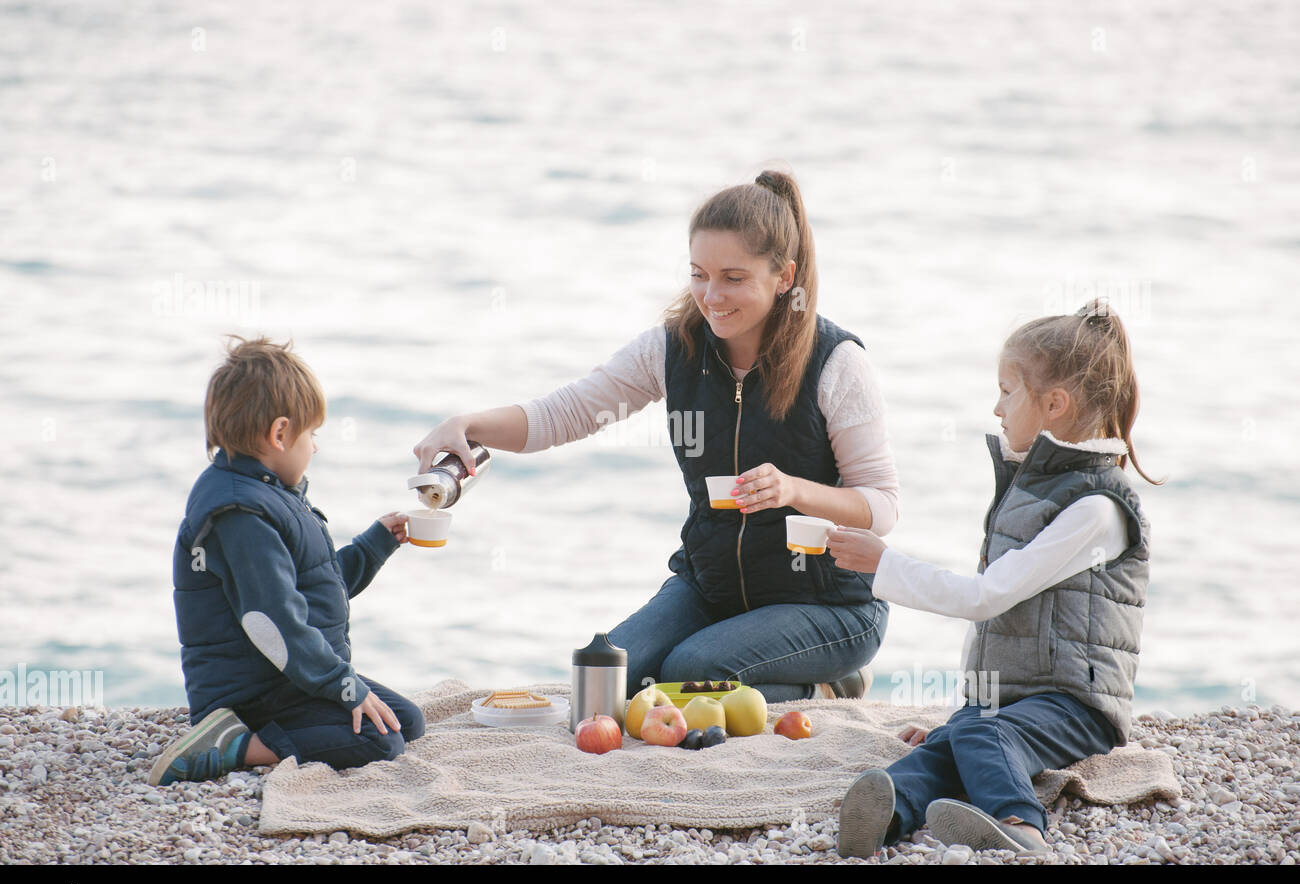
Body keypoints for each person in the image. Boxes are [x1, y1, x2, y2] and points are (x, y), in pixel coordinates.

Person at [413, 169, 899, 703]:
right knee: (603, 680)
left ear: (784, 277)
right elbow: (568, 411)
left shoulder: (835, 362)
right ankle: (768, 672)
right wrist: (468, 424)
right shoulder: (674, 349)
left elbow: (881, 506)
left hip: (830, 606)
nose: (711, 297)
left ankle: (826, 687)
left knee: (689, 671)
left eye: (733, 278)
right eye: (699, 274)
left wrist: (795, 490)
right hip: (711, 588)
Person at [829, 299, 1160, 857]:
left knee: (981, 732)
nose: (996, 406)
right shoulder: (1034, 487)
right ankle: (889, 812)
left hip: (1078, 705)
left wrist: (883, 562)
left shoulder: (1096, 509)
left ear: (1054, 404)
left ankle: (1021, 825)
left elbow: (985, 597)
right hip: (1013, 699)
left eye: (1007, 390)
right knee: (945, 743)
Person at [151, 336, 424, 786]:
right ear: (279, 434)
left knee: (406, 721)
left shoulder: (268, 496)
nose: (315, 447)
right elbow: (272, 622)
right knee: (379, 743)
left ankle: (274, 730)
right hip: (252, 693)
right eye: (311, 434)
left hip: (286, 679)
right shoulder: (240, 515)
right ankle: (230, 745)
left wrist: (376, 544)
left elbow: (314, 588)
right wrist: (343, 685)